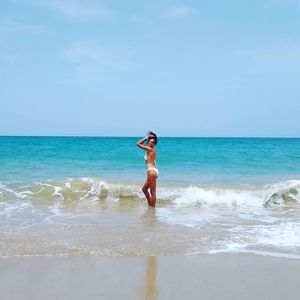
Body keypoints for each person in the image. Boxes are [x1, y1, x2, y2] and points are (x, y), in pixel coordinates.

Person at [136, 132, 159, 207]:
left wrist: (146, 137)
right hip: (153, 171)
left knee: (153, 192)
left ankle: (152, 209)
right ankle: (150, 205)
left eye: (152, 142)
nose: (150, 143)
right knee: (144, 189)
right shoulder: (153, 150)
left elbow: (138, 144)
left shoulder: (150, 149)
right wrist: (149, 137)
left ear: (154, 143)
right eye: (149, 141)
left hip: (151, 171)